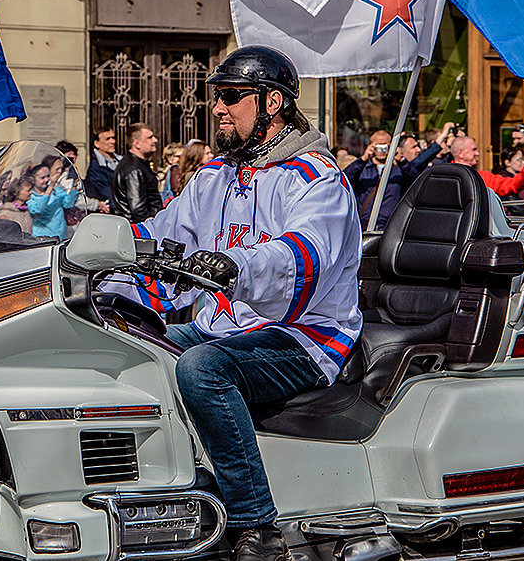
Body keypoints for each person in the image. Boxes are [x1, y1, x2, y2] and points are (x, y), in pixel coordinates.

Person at [111, 46, 361, 561]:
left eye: (230, 96)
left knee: (203, 370)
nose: (217, 108)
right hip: (225, 325)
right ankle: (173, 496)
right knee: (126, 349)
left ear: (272, 102)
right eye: (215, 97)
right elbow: (160, 236)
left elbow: (303, 255)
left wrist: (237, 267)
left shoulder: (315, 177)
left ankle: (255, 526)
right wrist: (92, 257)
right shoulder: (213, 177)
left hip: (304, 334)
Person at [448, 135, 524, 197]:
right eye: (473, 150)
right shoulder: (444, 175)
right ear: (460, 153)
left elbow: (509, 186)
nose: (478, 153)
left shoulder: (482, 177)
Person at [110, 122, 161, 222]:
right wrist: (149, 230)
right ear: (136, 143)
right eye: (150, 137)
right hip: (139, 230)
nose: (155, 140)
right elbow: (138, 209)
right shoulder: (134, 169)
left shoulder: (138, 165)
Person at [84, 128, 119, 203]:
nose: (112, 141)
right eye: (107, 139)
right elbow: (107, 193)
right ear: (97, 143)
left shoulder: (121, 160)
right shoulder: (96, 168)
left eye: (113, 138)